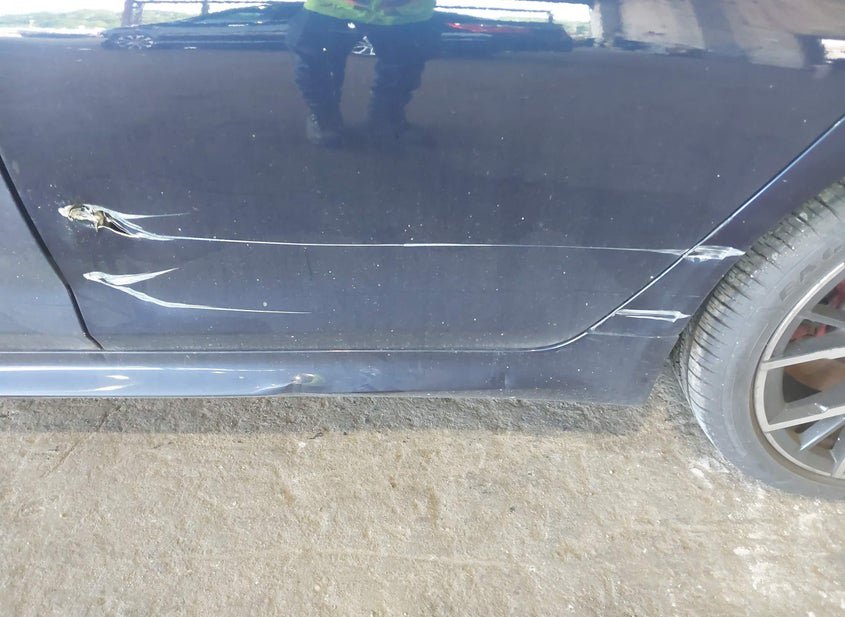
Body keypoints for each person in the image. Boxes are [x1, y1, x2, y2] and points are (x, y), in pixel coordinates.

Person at [286, 0, 439, 145]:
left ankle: (386, 120)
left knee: (403, 65)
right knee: (317, 61)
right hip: (335, 8)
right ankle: (325, 120)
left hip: (403, 11)